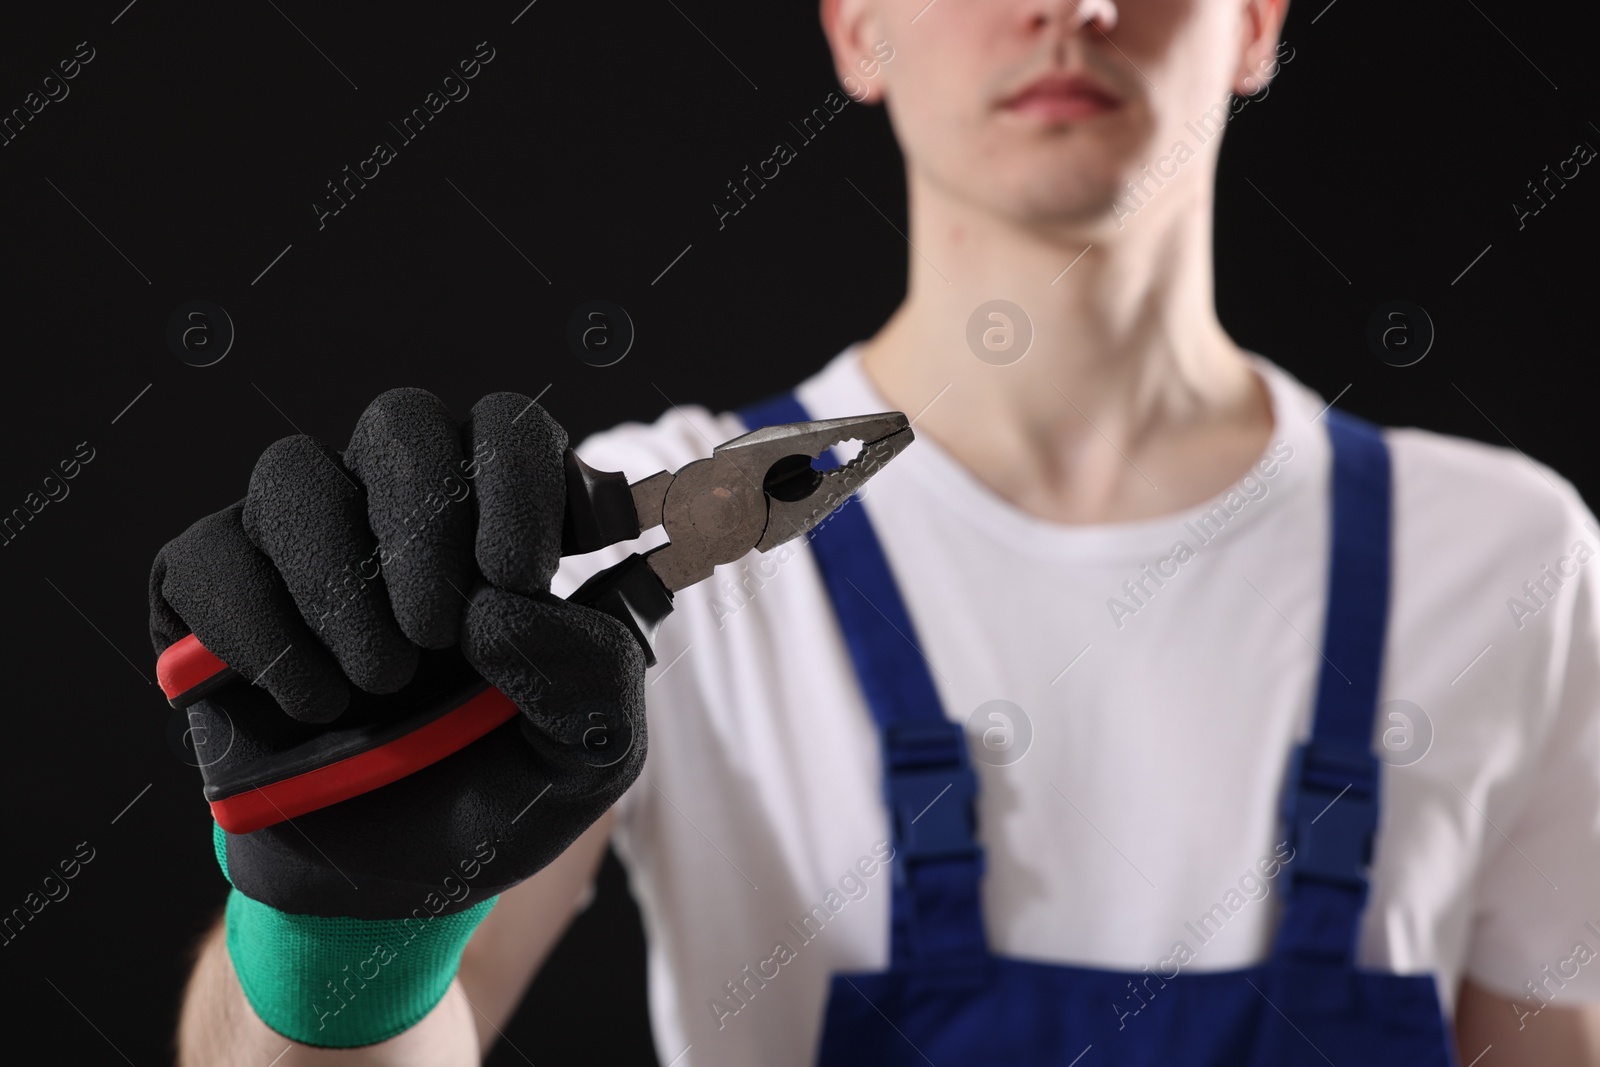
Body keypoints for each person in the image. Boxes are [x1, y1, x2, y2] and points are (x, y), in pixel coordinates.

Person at [165, 0, 1600, 1063]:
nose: (1075, 11)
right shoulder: (591, 565)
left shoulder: (1509, 557)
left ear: (1259, 24)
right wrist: (340, 936)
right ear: (858, 28)